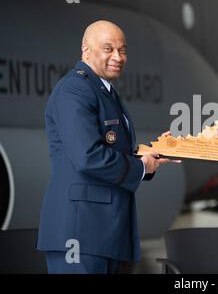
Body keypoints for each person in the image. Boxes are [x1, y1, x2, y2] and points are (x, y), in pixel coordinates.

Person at [36, 20, 170, 274]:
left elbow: (110, 149)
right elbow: (88, 156)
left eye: (122, 50)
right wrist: (140, 167)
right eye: (108, 49)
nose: (118, 57)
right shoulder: (74, 90)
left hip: (103, 233)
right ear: (86, 50)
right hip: (80, 233)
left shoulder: (101, 90)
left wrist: (152, 154)